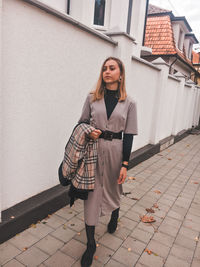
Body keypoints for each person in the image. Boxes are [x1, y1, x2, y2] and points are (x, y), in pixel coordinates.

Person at [78, 57, 138, 267]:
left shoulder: (129, 102)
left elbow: (129, 135)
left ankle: (115, 213)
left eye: (112, 68)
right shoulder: (92, 97)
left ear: (120, 74)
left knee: (114, 188)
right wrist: (89, 132)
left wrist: (125, 165)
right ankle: (91, 244)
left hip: (116, 150)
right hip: (93, 150)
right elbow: (82, 124)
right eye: (104, 68)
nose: (107, 71)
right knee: (92, 195)